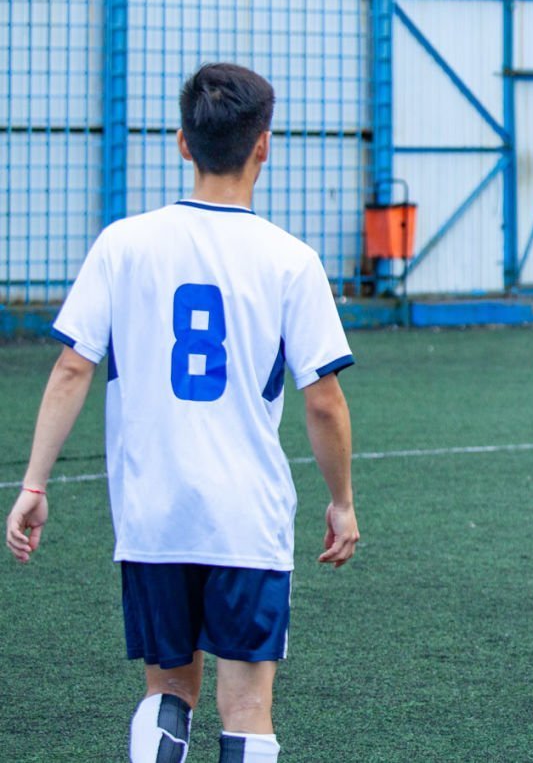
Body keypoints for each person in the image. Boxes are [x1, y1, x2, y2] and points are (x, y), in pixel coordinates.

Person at [5, 63, 359, 763]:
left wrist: (34, 483)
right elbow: (323, 399)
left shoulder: (123, 243)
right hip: (246, 516)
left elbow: (73, 367)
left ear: (182, 142)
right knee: (248, 705)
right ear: (264, 145)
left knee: (167, 689)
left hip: (153, 513)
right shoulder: (291, 260)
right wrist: (341, 501)